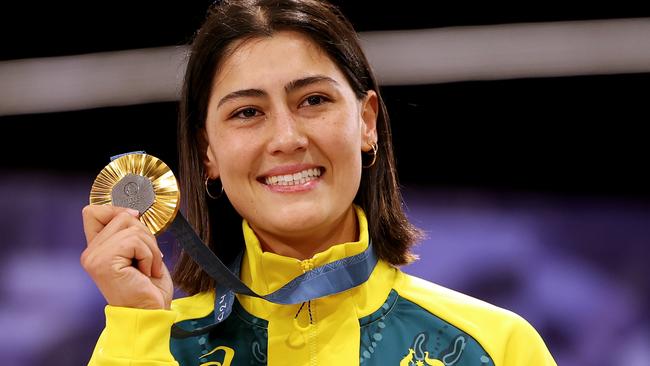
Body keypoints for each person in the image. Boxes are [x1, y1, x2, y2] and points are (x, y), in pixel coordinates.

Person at [81, 0, 557, 365]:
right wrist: (138, 325)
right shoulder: (154, 346)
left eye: (312, 101)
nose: (286, 138)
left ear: (366, 122)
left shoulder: (492, 347)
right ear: (209, 153)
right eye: (248, 112)